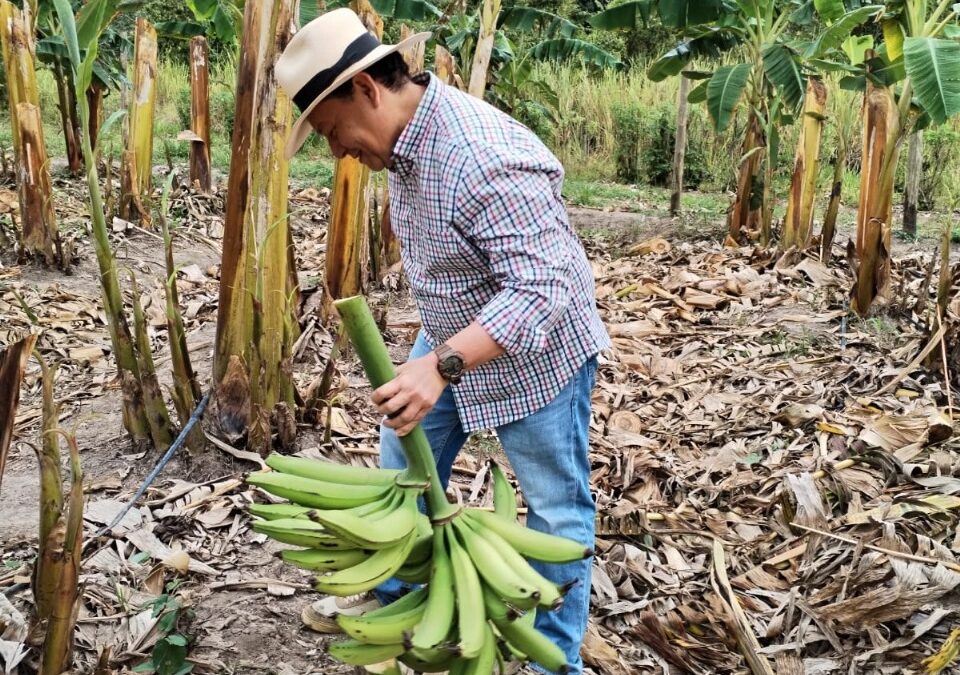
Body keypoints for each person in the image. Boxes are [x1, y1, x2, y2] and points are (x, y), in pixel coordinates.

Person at [276, 9, 610, 673]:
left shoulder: (482, 156)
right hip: (452, 335)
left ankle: (555, 661)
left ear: (367, 90)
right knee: (403, 467)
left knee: (554, 512)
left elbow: (543, 290)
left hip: (536, 358)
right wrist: (436, 358)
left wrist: (441, 365)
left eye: (333, 130)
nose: (338, 150)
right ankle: (396, 602)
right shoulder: (405, 144)